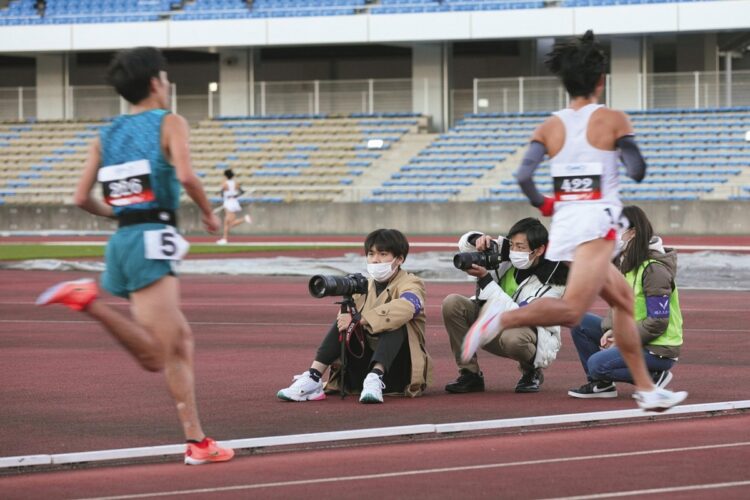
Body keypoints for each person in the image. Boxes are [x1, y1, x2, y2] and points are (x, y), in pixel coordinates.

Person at [461, 30, 687, 412]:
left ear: (565, 83)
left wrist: (546, 203)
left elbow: (522, 176)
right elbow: (639, 168)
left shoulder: (551, 125)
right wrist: (626, 157)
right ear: (601, 81)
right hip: (596, 226)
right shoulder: (613, 119)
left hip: (567, 224)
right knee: (572, 310)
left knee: (624, 303)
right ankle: (498, 320)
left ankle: (648, 389)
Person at [35, 47, 234, 465]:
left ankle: (197, 443)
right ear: (155, 82)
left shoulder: (104, 135)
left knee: (180, 342)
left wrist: (125, 215)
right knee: (156, 355)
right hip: (151, 239)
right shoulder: (171, 122)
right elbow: (185, 175)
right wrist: (205, 212)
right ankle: (84, 299)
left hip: (125, 239)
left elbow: (79, 197)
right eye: (164, 77)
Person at [277, 228, 432, 404]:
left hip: (399, 371)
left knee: (396, 321)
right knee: (343, 320)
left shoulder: (412, 282)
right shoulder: (362, 286)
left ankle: (376, 377)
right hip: (359, 368)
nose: (375, 259)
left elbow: (408, 306)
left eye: (383, 254)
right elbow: (346, 327)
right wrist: (350, 318)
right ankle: (313, 377)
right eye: (371, 254)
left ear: (400, 259)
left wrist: (361, 319)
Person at [568, 205, 683, 398]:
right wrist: (612, 329)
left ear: (633, 233)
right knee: (580, 322)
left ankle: (654, 376)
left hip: (657, 348)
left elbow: (658, 322)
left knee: (596, 364)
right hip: (635, 335)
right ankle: (601, 385)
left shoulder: (654, 270)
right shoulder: (627, 264)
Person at [443, 218, 568, 394]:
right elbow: (464, 245)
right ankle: (470, 374)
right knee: (452, 303)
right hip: (492, 322)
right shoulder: (505, 251)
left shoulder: (555, 281)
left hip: (527, 334)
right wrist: (477, 239)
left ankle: (530, 371)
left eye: (521, 247)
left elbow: (519, 313)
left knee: (513, 339)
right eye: (512, 245)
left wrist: (486, 279)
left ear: (539, 250)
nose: (514, 251)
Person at [216, 168, 252, 245]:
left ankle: (244, 219)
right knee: (226, 222)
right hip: (233, 201)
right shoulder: (235, 183)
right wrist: (235, 195)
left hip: (228, 202)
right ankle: (224, 239)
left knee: (230, 223)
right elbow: (242, 192)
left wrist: (226, 196)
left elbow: (222, 193)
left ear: (225, 176)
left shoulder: (224, 183)